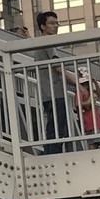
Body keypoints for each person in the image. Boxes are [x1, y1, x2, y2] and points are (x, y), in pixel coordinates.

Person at [33, 10, 77, 154]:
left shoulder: (40, 43)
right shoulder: (48, 42)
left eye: (57, 23)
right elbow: (57, 66)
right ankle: (52, 156)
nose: (56, 26)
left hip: (48, 92)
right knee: (57, 128)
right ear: (43, 26)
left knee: (54, 127)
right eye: (52, 23)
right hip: (54, 92)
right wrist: (76, 82)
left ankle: (50, 154)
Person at [74, 69, 100, 149]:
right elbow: (78, 103)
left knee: (98, 143)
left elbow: (99, 94)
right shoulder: (80, 92)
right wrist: (88, 103)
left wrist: (95, 82)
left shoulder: (90, 92)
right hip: (88, 121)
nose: (86, 85)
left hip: (96, 121)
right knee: (92, 143)